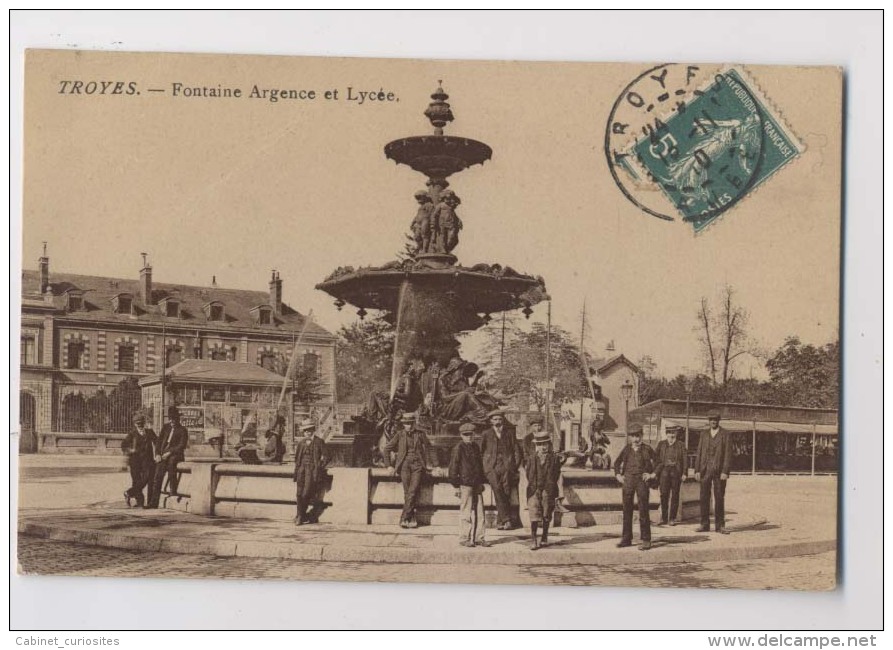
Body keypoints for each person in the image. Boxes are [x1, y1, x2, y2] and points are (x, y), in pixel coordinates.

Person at [385, 411, 431, 528]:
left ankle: (404, 517)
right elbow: (387, 449)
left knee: (413, 490)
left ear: (414, 423)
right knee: (407, 492)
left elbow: (430, 448)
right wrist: (389, 465)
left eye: (410, 423)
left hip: (418, 465)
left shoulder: (420, 434)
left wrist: (437, 465)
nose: (408, 426)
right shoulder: (399, 435)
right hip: (404, 465)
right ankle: (411, 518)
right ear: (403, 424)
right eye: (406, 424)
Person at [614, 424, 656, 550]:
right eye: (633, 436)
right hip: (628, 482)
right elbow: (617, 463)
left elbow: (659, 463)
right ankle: (626, 538)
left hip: (641, 482)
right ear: (630, 438)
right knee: (627, 510)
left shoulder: (647, 449)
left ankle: (646, 540)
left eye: (637, 436)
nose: (635, 439)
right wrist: (618, 475)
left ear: (641, 436)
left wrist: (652, 474)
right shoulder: (626, 449)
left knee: (643, 509)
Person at [448, 423, 489, 548]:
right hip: (465, 484)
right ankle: (464, 538)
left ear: (474, 435)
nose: (469, 437)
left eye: (471, 434)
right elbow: (453, 468)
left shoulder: (476, 447)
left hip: (476, 483)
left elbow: (479, 466)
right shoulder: (458, 448)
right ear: (461, 435)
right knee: (466, 512)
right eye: (466, 435)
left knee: (480, 512)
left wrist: (482, 481)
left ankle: (479, 538)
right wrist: (455, 485)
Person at [525, 428, 566, 550]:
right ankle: (533, 539)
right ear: (536, 445)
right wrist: (534, 484)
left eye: (546, 444)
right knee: (533, 515)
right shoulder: (532, 458)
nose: (543, 447)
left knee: (546, 514)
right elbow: (528, 474)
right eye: (540, 444)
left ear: (549, 444)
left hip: (548, 490)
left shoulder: (554, 458)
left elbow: (557, 473)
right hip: (534, 489)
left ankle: (544, 537)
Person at [480, 409, 522, 530]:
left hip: (506, 467)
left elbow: (516, 450)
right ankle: (507, 520)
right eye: (495, 419)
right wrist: (484, 467)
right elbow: (480, 452)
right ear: (491, 421)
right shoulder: (486, 434)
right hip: (491, 467)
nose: (497, 421)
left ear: (502, 420)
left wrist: (514, 466)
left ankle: (500, 521)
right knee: (497, 488)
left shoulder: (509, 433)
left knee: (506, 490)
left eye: (499, 419)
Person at [695, 411, 733, 534]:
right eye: (711, 419)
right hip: (705, 470)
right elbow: (699, 452)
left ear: (719, 420)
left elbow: (728, 454)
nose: (713, 421)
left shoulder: (725, 434)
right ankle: (704, 524)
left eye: (715, 419)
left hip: (719, 472)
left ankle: (720, 526)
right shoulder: (704, 434)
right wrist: (697, 470)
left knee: (719, 498)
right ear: (708, 420)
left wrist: (725, 471)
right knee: (703, 497)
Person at [147, 405, 188, 509]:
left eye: (174, 419)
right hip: (163, 455)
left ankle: (173, 491)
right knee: (158, 475)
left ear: (178, 419)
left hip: (175, 455)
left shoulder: (183, 430)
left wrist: (169, 453)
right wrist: (157, 454)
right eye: (171, 418)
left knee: (172, 464)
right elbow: (158, 442)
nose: (172, 421)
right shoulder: (165, 428)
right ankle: (153, 502)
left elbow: (181, 445)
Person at [293, 418, 328, 525]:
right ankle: (300, 515)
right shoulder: (301, 443)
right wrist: (297, 470)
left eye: (309, 430)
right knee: (299, 494)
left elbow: (327, 456)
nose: (307, 432)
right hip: (301, 470)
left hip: (312, 471)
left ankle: (300, 516)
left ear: (313, 430)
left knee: (305, 493)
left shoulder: (319, 442)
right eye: (305, 430)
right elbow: (297, 458)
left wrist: (320, 466)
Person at [121, 412, 157, 508]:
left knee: (146, 478)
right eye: (137, 423)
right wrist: (130, 450)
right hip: (135, 461)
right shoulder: (132, 434)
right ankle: (140, 502)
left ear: (144, 423)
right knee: (136, 481)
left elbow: (157, 442)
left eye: (141, 423)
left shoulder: (150, 432)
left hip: (147, 460)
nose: (140, 425)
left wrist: (158, 454)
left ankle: (129, 492)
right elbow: (123, 445)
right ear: (134, 424)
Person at [654, 425, 687, 526]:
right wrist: (656, 472)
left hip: (676, 472)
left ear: (676, 434)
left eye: (673, 434)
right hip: (664, 472)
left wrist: (684, 473)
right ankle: (664, 518)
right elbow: (656, 459)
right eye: (669, 434)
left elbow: (685, 460)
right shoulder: (661, 444)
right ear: (666, 434)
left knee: (675, 495)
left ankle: (672, 518)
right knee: (664, 494)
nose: (671, 436)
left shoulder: (681, 445)